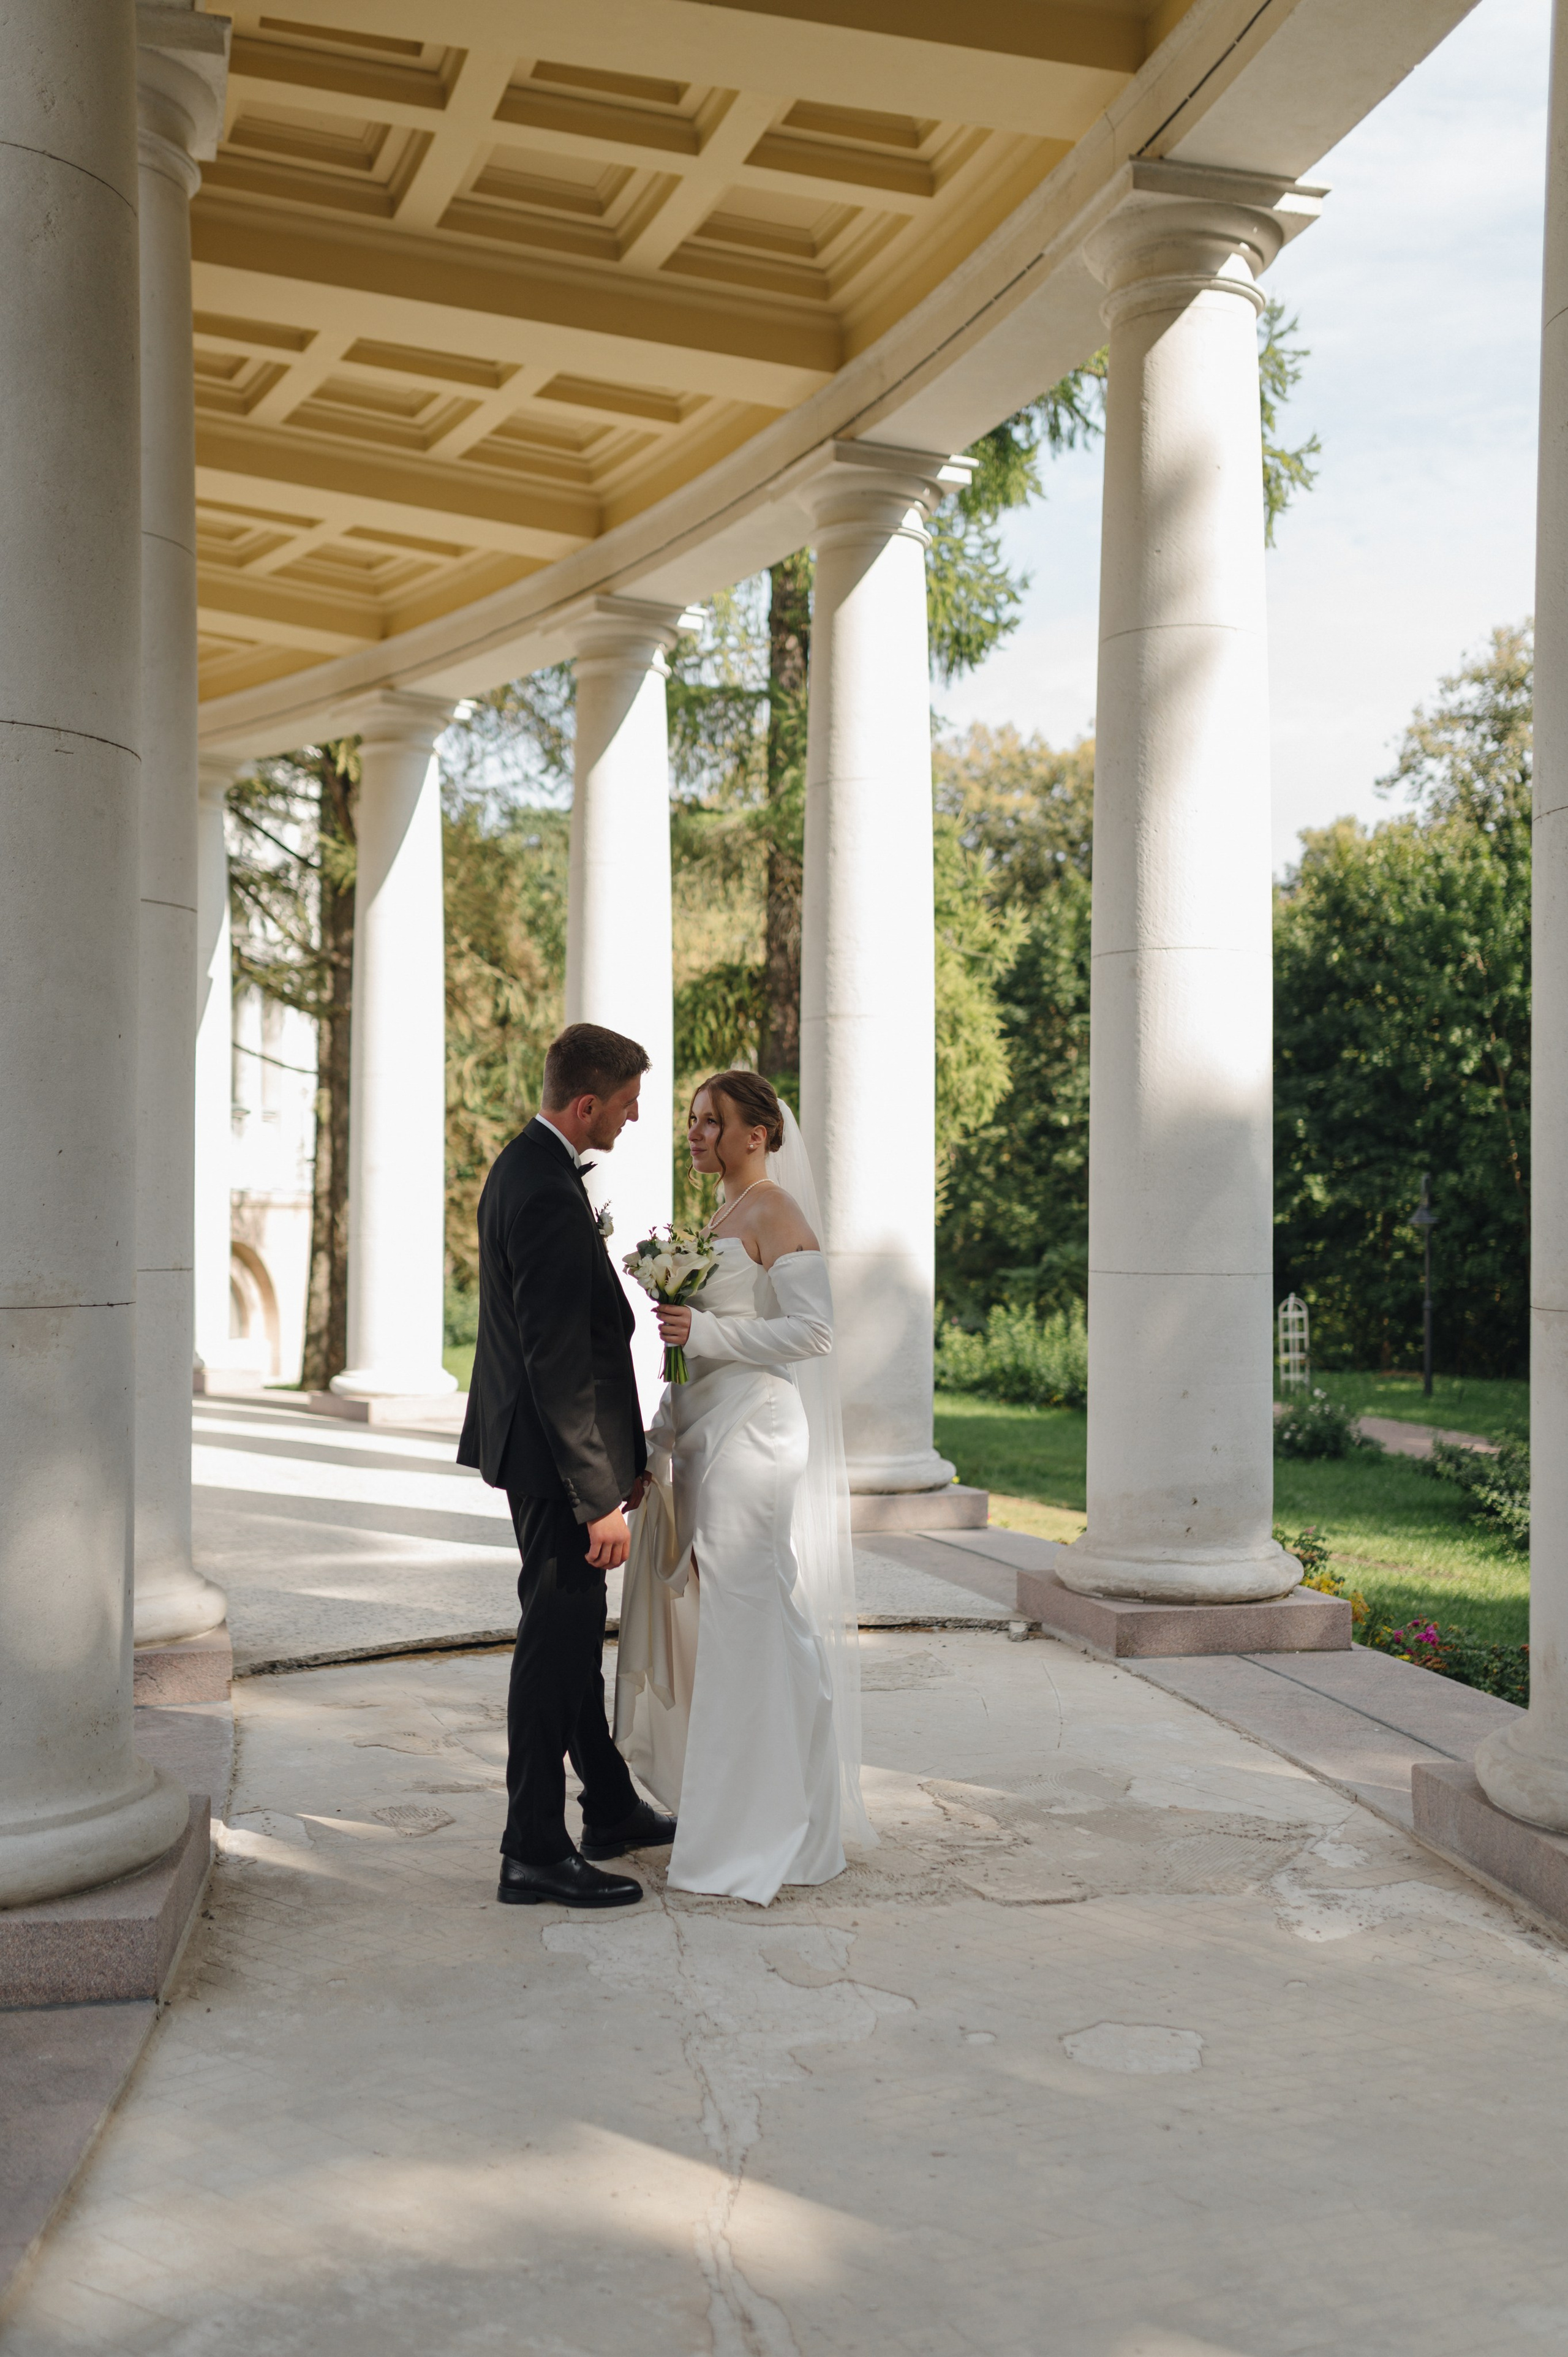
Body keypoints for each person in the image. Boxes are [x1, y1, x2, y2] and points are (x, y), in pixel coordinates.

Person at [622, 1069, 872, 1905]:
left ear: (757, 1134)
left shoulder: (774, 1211)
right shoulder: (718, 1219)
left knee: (748, 1620)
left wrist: (708, 1331)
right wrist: (659, 1437)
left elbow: (814, 1332)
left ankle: (762, 1833)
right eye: (693, 1120)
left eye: (710, 1121)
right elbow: (696, 1349)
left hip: (754, 1434)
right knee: (737, 1621)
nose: (694, 1133)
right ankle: (766, 1812)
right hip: (702, 1432)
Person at [458, 1022, 676, 1909]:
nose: (633, 1118)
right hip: (556, 1469)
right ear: (586, 1103)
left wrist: (619, 1466)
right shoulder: (545, 1190)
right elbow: (557, 1361)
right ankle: (533, 1851)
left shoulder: (531, 1168)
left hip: (547, 1457)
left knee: (572, 1638)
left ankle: (611, 1807)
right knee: (553, 1650)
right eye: (626, 1104)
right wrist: (598, 1500)